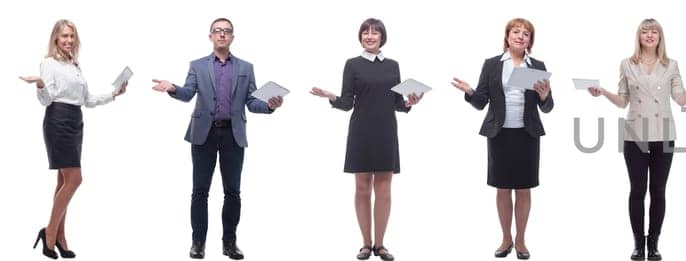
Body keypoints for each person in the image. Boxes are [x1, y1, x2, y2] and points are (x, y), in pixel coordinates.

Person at [585, 18, 686, 261]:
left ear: (660, 37)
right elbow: (622, 101)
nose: (650, 36)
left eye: (654, 32)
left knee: (658, 190)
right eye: (645, 32)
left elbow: (681, 99)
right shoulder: (627, 64)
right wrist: (603, 92)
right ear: (638, 37)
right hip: (635, 134)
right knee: (637, 190)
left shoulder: (670, 65)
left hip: (663, 134)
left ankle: (654, 244)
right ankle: (638, 245)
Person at [149, 17, 283, 261]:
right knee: (200, 191)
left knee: (233, 191)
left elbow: (252, 102)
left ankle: (229, 242)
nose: (222, 35)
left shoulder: (246, 68)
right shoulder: (198, 65)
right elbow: (188, 93)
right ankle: (198, 242)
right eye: (217, 31)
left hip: (233, 134)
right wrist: (173, 88)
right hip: (204, 133)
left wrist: (270, 106)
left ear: (232, 36)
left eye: (227, 31)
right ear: (210, 36)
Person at [308, 18, 423, 261]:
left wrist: (409, 103)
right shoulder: (352, 65)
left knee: (383, 189)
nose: (369, 36)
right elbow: (347, 103)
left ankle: (380, 245)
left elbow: (397, 104)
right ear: (360, 36)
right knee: (362, 188)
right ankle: (365, 244)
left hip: (386, 130)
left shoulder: (393, 65)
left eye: (374, 33)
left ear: (382, 37)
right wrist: (331, 97)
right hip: (361, 130)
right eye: (365, 32)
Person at [20, 19, 128, 260]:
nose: (68, 40)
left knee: (63, 181)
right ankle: (50, 233)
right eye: (64, 36)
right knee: (75, 178)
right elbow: (46, 100)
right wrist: (39, 85)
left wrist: (113, 94)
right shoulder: (49, 63)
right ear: (55, 39)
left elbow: (87, 100)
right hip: (58, 120)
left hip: (76, 121)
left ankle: (60, 236)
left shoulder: (74, 65)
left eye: (72, 36)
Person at [448, 18, 553, 261]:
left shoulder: (536, 65)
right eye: (516, 32)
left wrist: (545, 96)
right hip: (499, 134)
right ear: (507, 36)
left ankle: (521, 240)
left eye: (526, 34)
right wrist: (470, 92)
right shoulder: (493, 64)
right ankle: (506, 238)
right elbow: (481, 103)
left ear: (530, 41)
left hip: (527, 134)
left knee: (525, 187)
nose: (520, 36)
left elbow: (547, 107)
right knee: (503, 187)